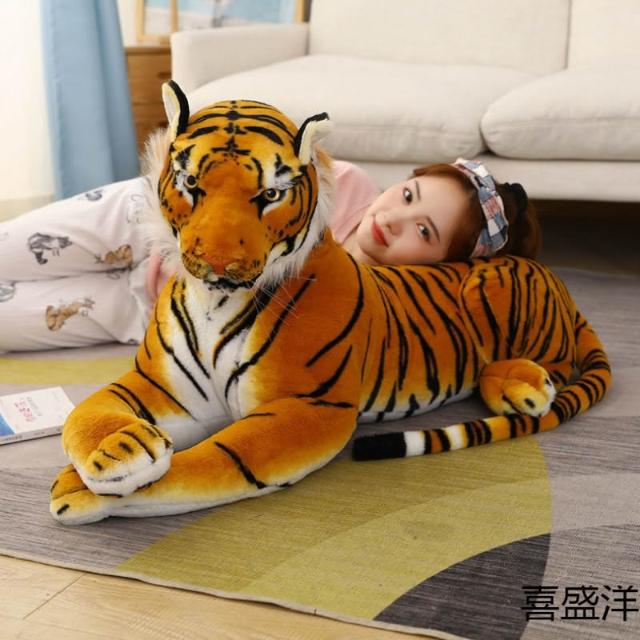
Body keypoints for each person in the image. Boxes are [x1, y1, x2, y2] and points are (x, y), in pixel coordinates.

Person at [0, 158, 540, 352]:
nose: (393, 218)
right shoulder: (343, 185)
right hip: (146, 223)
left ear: (440, 268)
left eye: (422, 230)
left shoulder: (364, 311)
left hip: (144, 310)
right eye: (407, 194)